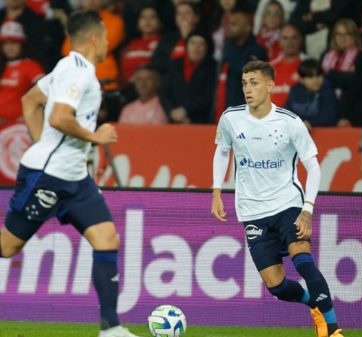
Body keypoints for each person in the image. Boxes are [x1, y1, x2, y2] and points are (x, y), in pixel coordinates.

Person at [0, 11, 139, 337]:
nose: (108, 43)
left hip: (75, 177)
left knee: (107, 239)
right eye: (105, 36)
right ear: (94, 38)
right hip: (48, 176)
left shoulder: (67, 66)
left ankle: (111, 328)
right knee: (6, 248)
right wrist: (94, 137)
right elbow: (61, 117)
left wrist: (45, 144)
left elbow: (30, 100)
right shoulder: (80, 75)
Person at [211, 60, 344, 337]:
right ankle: (313, 304)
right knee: (277, 286)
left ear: (270, 86)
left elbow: (314, 166)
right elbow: (222, 150)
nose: (248, 88)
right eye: (245, 83)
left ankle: (332, 330)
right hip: (252, 211)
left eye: (254, 82)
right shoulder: (231, 118)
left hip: (288, 205)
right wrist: (216, 190)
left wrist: (307, 209)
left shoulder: (290, 122)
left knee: (304, 262)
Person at [160, 30, 217, 124]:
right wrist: (171, 111)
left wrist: (185, 110)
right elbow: (164, 92)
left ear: (207, 48)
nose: (196, 47)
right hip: (174, 120)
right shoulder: (175, 64)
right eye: (193, 42)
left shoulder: (213, 67)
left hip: (201, 122)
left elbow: (208, 95)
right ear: (186, 46)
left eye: (201, 44)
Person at [0, 20, 44, 124]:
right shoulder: (2, 66)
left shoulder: (31, 66)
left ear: (22, 44)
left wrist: (30, 116)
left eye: (14, 42)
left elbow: (44, 94)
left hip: (21, 127)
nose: (9, 47)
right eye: (5, 43)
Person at [285, 58, 338, 129]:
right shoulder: (295, 92)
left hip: (324, 135)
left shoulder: (328, 92)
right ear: (301, 80)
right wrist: (301, 123)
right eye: (310, 76)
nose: (315, 80)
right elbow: (286, 115)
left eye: (318, 75)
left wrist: (309, 123)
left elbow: (328, 118)